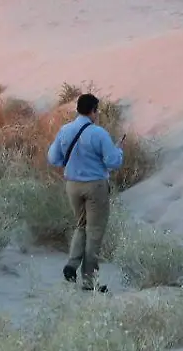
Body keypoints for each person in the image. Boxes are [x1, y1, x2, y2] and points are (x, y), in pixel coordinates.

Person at [46, 92, 124, 292]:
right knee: (95, 231)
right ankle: (89, 281)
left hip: (72, 185)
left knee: (81, 226)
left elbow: (53, 158)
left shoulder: (65, 130)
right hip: (95, 185)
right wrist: (119, 151)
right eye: (97, 111)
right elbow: (113, 161)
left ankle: (72, 265)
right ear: (93, 111)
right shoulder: (98, 133)